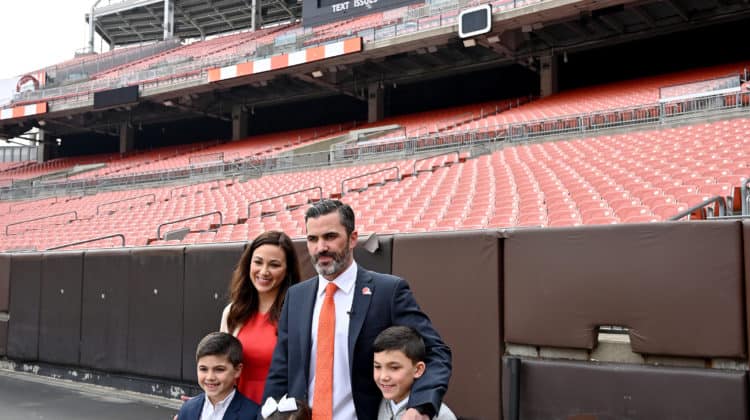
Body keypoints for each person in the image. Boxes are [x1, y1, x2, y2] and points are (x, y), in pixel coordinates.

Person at [263, 199, 452, 420]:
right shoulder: (296, 296)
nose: (321, 247)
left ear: (353, 238)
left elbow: (436, 352)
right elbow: (280, 370)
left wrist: (420, 407)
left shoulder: (388, 292)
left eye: (330, 237)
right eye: (312, 239)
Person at [220, 230, 302, 404]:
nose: (264, 271)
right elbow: (220, 369)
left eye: (274, 265)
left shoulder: (298, 313)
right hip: (237, 412)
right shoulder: (232, 313)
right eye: (258, 262)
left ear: (287, 270)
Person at [373, 326, 457, 420]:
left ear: (418, 370)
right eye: (377, 366)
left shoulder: (442, 416)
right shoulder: (374, 404)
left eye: (394, 368)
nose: (383, 376)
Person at [177, 332, 259, 420]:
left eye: (219, 369)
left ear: (237, 370)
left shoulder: (253, 414)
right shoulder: (187, 408)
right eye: (203, 369)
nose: (210, 377)